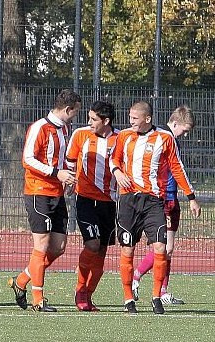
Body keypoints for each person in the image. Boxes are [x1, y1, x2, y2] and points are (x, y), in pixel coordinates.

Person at [110, 101, 201, 314]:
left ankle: (157, 296)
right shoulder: (124, 136)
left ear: (147, 119)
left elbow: (177, 167)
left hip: (153, 201)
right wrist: (117, 172)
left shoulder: (164, 138)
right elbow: (113, 158)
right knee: (127, 249)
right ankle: (128, 299)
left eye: (134, 118)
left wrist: (191, 197)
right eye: (130, 117)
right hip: (128, 200)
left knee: (161, 247)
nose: (130, 121)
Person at [8, 89, 80, 312]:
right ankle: (38, 299)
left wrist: (69, 178)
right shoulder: (40, 127)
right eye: (75, 112)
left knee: (58, 247)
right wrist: (55, 173)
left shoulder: (64, 129)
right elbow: (27, 159)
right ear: (67, 110)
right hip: (38, 192)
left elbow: (63, 159)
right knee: (41, 245)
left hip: (56, 193)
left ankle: (21, 281)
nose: (75, 117)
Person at [132, 105, 196, 305]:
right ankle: (137, 275)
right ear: (175, 123)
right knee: (165, 248)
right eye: (184, 130)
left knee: (168, 250)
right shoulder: (162, 138)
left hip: (171, 198)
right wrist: (190, 195)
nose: (184, 135)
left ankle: (162, 291)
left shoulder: (171, 139)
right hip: (162, 198)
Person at [65, 100, 119, 311]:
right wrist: (68, 182)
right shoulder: (80, 135)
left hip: (110, 202)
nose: (89, 123)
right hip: (85, 198)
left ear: (106, 121)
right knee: (92, 245)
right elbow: (69, 161)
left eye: (93, 119)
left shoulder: (120, 139)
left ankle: (89, 293)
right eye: (88, 118)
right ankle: (80, 289)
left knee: (102, 251)